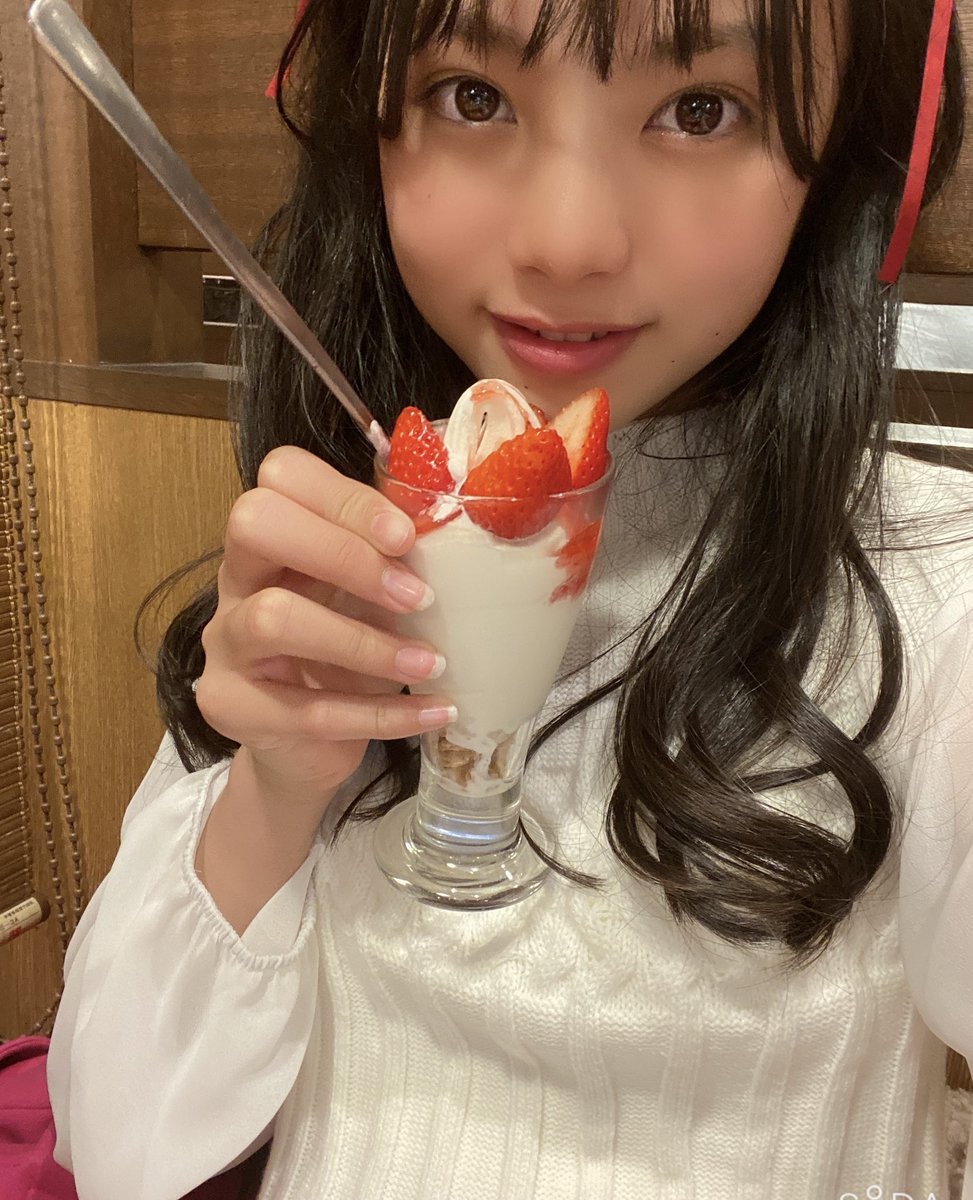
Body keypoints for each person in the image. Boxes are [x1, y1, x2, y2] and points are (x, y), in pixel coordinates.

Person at [42, 0, 973, 1196]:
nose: (566, 243)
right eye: (472, 97)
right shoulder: (340, 539)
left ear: (847, 159)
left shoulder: (938, 600)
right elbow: (119, 1146)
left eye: (701, 109)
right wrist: (271, 791)